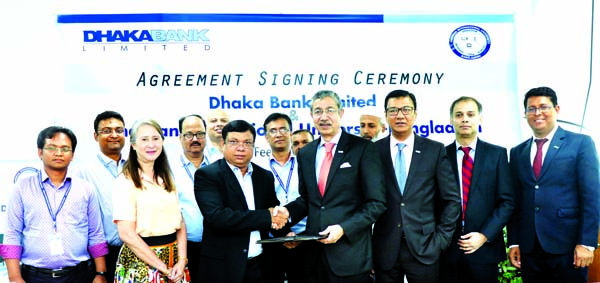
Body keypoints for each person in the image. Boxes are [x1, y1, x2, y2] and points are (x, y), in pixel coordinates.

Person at [284, 90, 387, 283]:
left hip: (350, 256)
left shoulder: (362, 148)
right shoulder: (305, 153)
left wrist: (343, 228)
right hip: (313, 258)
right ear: (311, 116)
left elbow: (376, 203)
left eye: (330, 110)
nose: (324, 117)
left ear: (341, 113)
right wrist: (286, 213)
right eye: (318, 111)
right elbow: (308, 199)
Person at [507, 86, 600, 282]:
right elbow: (516, 200)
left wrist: (586, 243)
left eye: (543, 107)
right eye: (531, 108)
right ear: (525, 114)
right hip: (530, 249)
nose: (537, 113)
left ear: (556, 109)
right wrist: (514, 242)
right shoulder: (517, 152)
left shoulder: (580, 143)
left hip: (569, 248)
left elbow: (592, 197)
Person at [372, 89, 460, 283]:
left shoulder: (434, 150)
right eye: (393, 110)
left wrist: (441, 240)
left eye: (406, 109)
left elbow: (452, 200)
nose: (400, 115)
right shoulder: (373, 151)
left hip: (425, 246)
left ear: (415, 113)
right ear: (385, 115)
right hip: (385, 248)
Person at [2, 126, 108, 283]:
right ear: (40, 152)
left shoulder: (85, 188)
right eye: (52, 148)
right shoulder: (22, 187)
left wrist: (101, 274)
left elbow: (95, 233)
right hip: (34, 277)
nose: (59, 153)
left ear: (72, 155)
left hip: (79, 275)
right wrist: (15, 278)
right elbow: (12, 234)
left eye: (65, 149)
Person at [194, 120, 289, 283]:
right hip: (224, 268)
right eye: (234, 142)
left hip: (261, 266)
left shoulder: (264, 176)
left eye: (247, 143)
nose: (241, 148)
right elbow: (218, 217)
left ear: (254, 146)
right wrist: (267, 217)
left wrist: (286, 234)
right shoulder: (207, 175)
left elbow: (273, 211)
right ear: (222, 144)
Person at [439, 96, 515, 282]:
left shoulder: (497, 154)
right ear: (451, 120)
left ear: (480, 118)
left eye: (470, 114)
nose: (465, 119)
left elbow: (507, 201)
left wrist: (484, 235)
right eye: (459, 115)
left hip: (484, 250)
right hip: (447, 250)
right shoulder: (439, 155)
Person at [112, 119, 189, 283]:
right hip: (141, 264)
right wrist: (163, 268)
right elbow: (126, 233)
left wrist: (182, 261)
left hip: (175, 264)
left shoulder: (166, 178)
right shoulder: (125, 181)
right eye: (144, 139)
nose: (151, 144)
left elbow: (180, 222)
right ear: (133, 145)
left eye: (155, 138)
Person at [75, 110, 127, 283]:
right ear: (96, 136)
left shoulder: (136, 166)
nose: (114, 135)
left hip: (137, 251)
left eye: (119, 130)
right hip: (103, 255)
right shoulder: (84, 171)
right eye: (107, 131)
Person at [259, 113, 309, 283]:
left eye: (283, 129)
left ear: (290, 133)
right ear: (266, 137)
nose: (278, 134)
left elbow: (311, 198)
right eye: (273, 131)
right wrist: (284, 232)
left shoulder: (306, 163)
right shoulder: (258, 167)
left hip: (306, 238)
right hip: (272, 240)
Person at [172, 114, 210, 282]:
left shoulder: (218, 165)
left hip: (215, 246)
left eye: (200, 134)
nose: (195, 139)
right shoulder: (168, 169)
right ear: (180, 137)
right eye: (189, 134)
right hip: (182, 249)